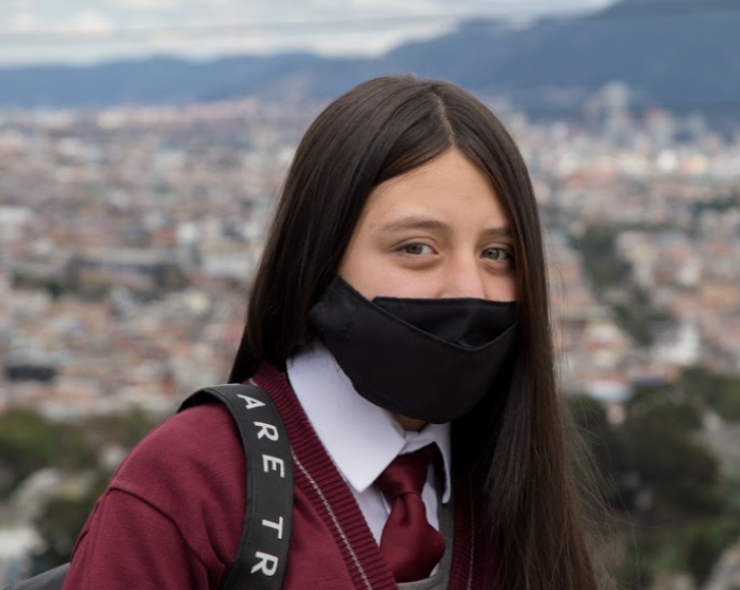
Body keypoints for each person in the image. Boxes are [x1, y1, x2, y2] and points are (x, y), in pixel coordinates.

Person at [63, 76, 604, 590]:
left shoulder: (515, 490)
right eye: (416, 247)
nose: (469, 288)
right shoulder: (191, 484)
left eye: (497, 254)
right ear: (319, 257)